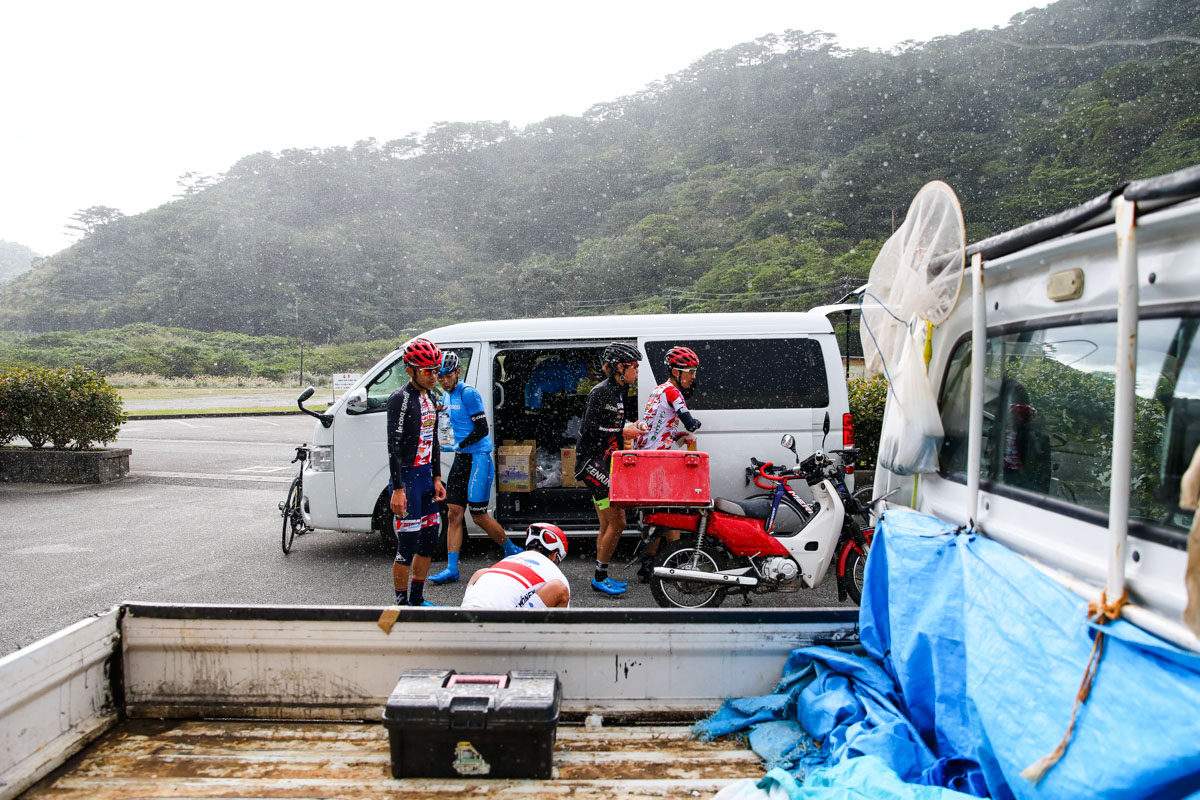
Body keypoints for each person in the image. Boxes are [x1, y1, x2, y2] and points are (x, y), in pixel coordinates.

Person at [429, 351, 522, 585]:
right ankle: (452, 569)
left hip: (478, 457)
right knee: (453, 513)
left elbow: (482, 429)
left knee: (478, 515)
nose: (443, 381)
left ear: (457, 373)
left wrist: (458, 444)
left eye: (447, 376)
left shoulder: (468, 394)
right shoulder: (447, 396)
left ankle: (512, 550)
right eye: (440, 377)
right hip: (462, 458)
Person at [575, 341, 646, 596]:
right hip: (591, 463)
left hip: (604, 462)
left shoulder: (620, 391)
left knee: (607, 523)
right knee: (618, 522)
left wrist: (631, 425)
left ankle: (600, 576)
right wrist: (622, 430)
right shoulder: (600, 392)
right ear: (619, 367)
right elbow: (590, 429)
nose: (637, 371)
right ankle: (599, 577)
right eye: (634, 367)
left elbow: (612, 423)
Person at [631, 345, 703, 581]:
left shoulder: (658, 391)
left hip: (647, 458)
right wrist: (692, 426)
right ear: (675, 371)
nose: (693, 376)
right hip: (657, 463)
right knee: (668, 514)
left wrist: (676, 437)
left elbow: (656, 427)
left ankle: (650, 566)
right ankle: (677, 562)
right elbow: (689, 421)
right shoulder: (673, 393)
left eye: (694, 371)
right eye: (689, 371)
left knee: (660, 514)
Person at [386, 337, 447, 606]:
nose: (434, 376)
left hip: (425, 478)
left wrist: (436, 477)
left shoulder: (431, 397)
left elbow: (433, 440)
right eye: (427, 371)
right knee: (407, 547)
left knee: (429, 542)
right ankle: (401, 603)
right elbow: (394, 446)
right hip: (408, 480)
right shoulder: (400, 398)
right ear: (410, 370)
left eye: (437, 370)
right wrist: (398, 489)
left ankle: (418, 599)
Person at [460, 523, 572, 609]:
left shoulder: (513, 558)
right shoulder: (556, 574)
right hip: (501, 628)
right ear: (555, 555)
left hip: (465, 618)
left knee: (482, 572)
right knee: (560, 589)